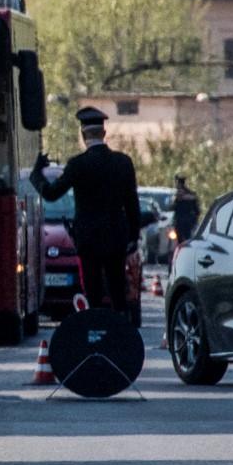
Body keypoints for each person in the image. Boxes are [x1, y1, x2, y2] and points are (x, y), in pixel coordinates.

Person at [30, 107, 140, 312]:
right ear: (104, 133)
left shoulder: (78, 165)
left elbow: (51, 194)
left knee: (93, 293)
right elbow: (132, 203)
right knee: (117, 293)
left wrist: (36, 174)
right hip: (116, 238)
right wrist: (134, 235)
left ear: (83, 134)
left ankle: (94, 333)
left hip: (88, 240)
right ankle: (120, 336)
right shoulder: (123, 162)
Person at [171, 175, 200, 245]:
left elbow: (174, 208)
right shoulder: (191, 195)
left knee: (182, 239)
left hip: (183, 222)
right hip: (186, 221)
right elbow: (197, 211)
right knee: (186, 238)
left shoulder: (180, 196)